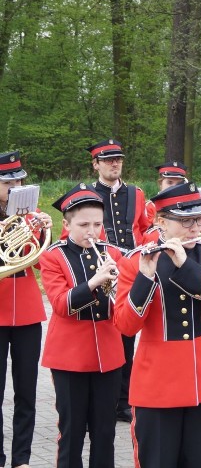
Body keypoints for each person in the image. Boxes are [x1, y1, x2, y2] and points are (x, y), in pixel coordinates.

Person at [114, 181, 201, 468]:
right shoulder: (135, 262)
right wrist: (144, 280)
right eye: (185, 221)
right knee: (157, 460)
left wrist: (188, 267)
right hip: (157, 381)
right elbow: (126, 326)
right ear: (160, 221)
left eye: (199, 218)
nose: (195, 227)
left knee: (199, 461)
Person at [40, 184, 124, 468]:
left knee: (105, 431)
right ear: (66, 224)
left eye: (98, 224)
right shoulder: (53, 255)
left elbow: (125, 305)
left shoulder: (114, 252)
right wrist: (94, 282)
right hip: (70, 356)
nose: (92, 231)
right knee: (72, 431)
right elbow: (61, 305)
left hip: (108, 355)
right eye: (83, 224)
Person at [78, 139, 149, 423]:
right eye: (107, 160)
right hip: (99, 271)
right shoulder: (86, 194)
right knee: (100, 336)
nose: (114, 163)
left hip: (129, 273)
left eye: (118, 159)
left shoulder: (136, 193)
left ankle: (123, 400)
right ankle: (97, 397)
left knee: (128, 337)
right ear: (95, 164)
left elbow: (143, 229)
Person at [0, 150, 52, 468]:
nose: (15, 187)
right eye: (8, 182)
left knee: (27, 392)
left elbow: (44, 263)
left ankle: (22, 458)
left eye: (19, 181)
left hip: (28, 312)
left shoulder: (32, 219)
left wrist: (45, 229)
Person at [144, 161, 189, 230]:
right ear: (160, 184)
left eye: (179, 183)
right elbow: (147, 234)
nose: (174, 187)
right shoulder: (150, 207)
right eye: (169, 182)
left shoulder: (189, 206)